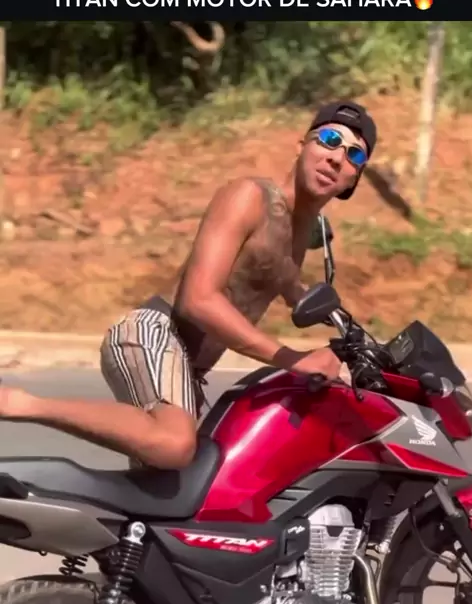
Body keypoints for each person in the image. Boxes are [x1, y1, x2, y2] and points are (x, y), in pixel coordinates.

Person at [0, 101, 377, 470]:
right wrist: (292, 358)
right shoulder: (250, 197)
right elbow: (198, 300)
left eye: (354, 155)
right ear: (302, 145)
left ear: (354, 179)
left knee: (189, 491)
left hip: (189, 369)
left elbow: (287, 283)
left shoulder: (300, 232)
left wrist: (355, 338)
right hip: (157, 333)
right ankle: (18, 403)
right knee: (174, 445)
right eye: (329, 139)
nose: (336, 157)